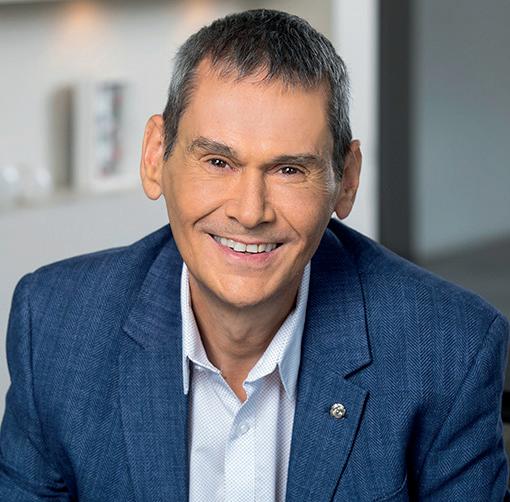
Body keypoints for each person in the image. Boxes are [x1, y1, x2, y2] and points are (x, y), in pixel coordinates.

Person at [0, 8, 508, 502]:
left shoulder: (451, 350)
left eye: (289, 170)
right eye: (217, 162)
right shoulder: (53, 325)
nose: (249, 212)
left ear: (346, 180)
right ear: (155, 156)